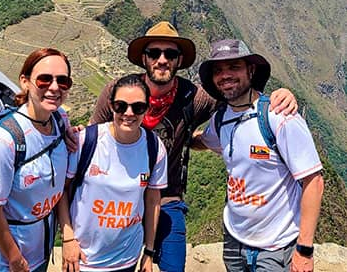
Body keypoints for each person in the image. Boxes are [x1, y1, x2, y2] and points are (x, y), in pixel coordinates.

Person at [87, 21, 297, 272]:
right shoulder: (119, 93)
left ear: (179, 60)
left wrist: (277, 96)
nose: (162, 60)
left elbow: (239, 99)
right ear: (144, 58)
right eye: (154, 53)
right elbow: (93, 139)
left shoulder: (193, 98)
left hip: (166, 202)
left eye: (170, 54)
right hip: (117, 204)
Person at [193, 38, 324, 272]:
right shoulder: (220, 119)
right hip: (234, 238)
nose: (225, 75)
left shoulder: (278, 116)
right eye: (218, 70)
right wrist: (175, 141)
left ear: (251, 70)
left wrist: (304, 249)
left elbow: (313, 181)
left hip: (276, 246)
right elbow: (204, 140)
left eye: (234, 67)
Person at [0, 47, 73, 272]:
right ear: (25, 82)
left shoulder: (60, 120)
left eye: (62, 81)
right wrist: (14, 257)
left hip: (39, 250)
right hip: (1, 260)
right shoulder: (4, 141)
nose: (54, 87)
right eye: (44, 79)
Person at [58, 74, 168, 272]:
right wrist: (67, 238)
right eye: (121, 106)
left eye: (138, 107)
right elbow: (61, 191)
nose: (128, 113)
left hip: (127, 259)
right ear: (110, 106)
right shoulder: (86, 141)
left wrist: (149, 253)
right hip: (83, 258)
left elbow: (153, 201)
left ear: (146, 109)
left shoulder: (154, 147)